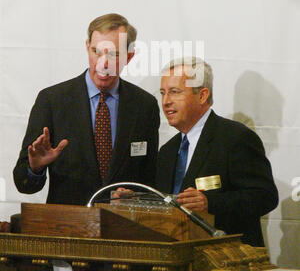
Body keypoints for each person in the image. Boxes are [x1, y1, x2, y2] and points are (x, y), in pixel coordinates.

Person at [13, 13, 160, 205]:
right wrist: (35, 168)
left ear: (129, 57)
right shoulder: (52, 100)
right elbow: (24, 184)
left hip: (122, 228)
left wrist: (134, 197)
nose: (103, 64)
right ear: (86, 48)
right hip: (67, 228)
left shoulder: (144, 106)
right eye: (96, 52)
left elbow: (150, 181)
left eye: (113, 54)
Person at [156, 57, 278, 246]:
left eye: (174, 92)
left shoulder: (235, 138)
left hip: (227, 261)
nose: (165, 102)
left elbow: (264, 197)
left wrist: (210, 203)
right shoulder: (167, 151)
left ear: (202, 95)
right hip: (176, 259)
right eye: (163, 93)